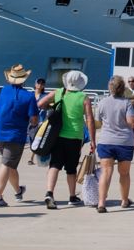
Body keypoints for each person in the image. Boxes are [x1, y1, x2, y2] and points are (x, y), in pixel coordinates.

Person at [0, 63, 40, 207]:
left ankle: (18, 191)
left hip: (0, 134)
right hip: (16, 136)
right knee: (6, 164)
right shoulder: (29, 96)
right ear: (24, 80)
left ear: (9, 78)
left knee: (10, 165)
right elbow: (34, 120)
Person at [37, 70, 95, 209]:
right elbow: (89, 119)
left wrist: (51, 106)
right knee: (71, 168)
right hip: (75, 137)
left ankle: (49, 192)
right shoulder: (83, 97)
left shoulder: (59, 92)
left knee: (55, 165)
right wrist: (93, 140)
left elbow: (40, 104)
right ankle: (72, 197)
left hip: (57, 135)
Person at [94, 75, 134, 212]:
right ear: (123, 88)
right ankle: (124, 201)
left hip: (106, 141)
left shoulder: (102, 102)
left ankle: (101, 203)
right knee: (124, 173)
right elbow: (131, 123)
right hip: (124, 142)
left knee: (105, 172)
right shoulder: (126, 104)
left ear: (110, 88)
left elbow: (97, 123)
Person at [28, 77, 47, 166]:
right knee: (31, 138)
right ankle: (35, 154)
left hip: (40, 121)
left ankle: (31, 158)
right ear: (35, 84)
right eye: (39, 83)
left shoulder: (45, 96)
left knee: (37, 139)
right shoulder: (30, 95)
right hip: (29, 120)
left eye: (42, 83)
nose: (40, 85)